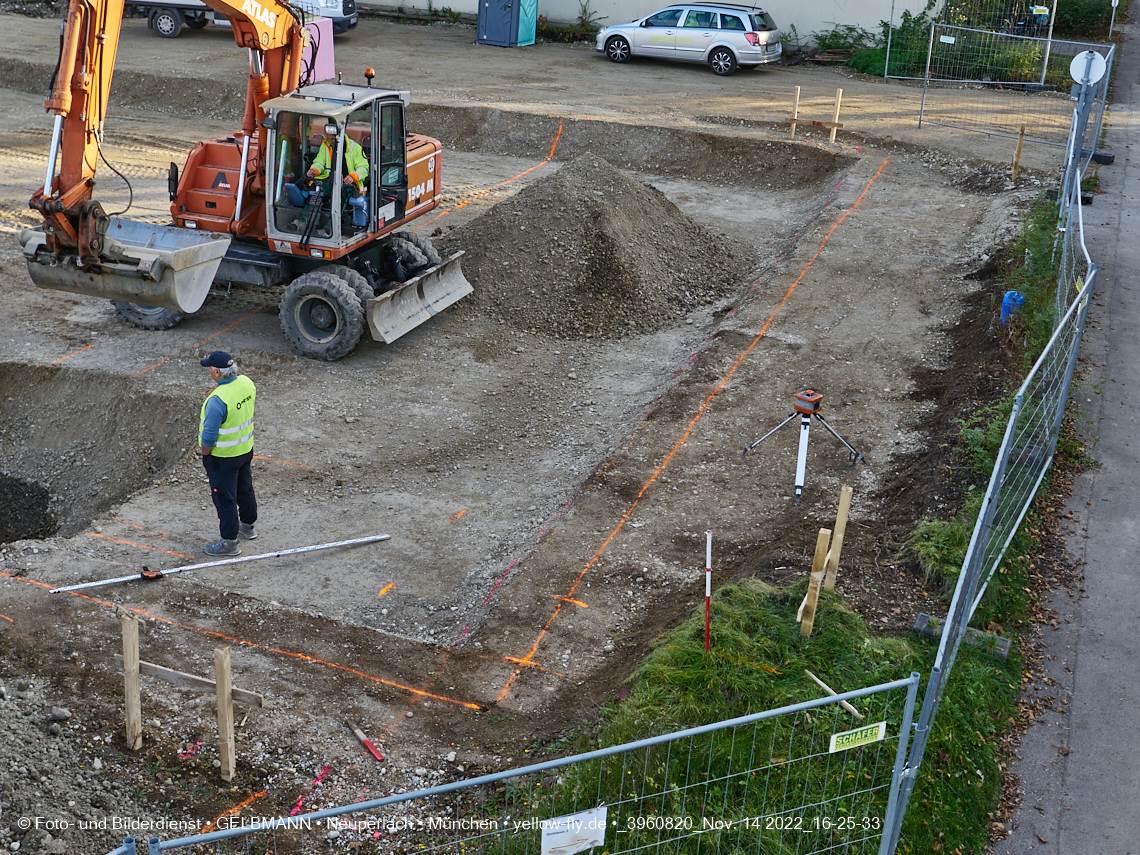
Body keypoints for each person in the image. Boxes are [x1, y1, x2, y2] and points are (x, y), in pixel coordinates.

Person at [199, 351, 258, 556]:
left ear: (216, 372)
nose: (208, 371)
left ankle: (229, 542)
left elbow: (209, 436)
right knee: (244, 489)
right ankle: (248, 527)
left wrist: (205, 453)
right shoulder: (246, 383)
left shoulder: (217, 400)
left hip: (223, 457)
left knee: (225, 498)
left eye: (209, 368)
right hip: (245, 449)